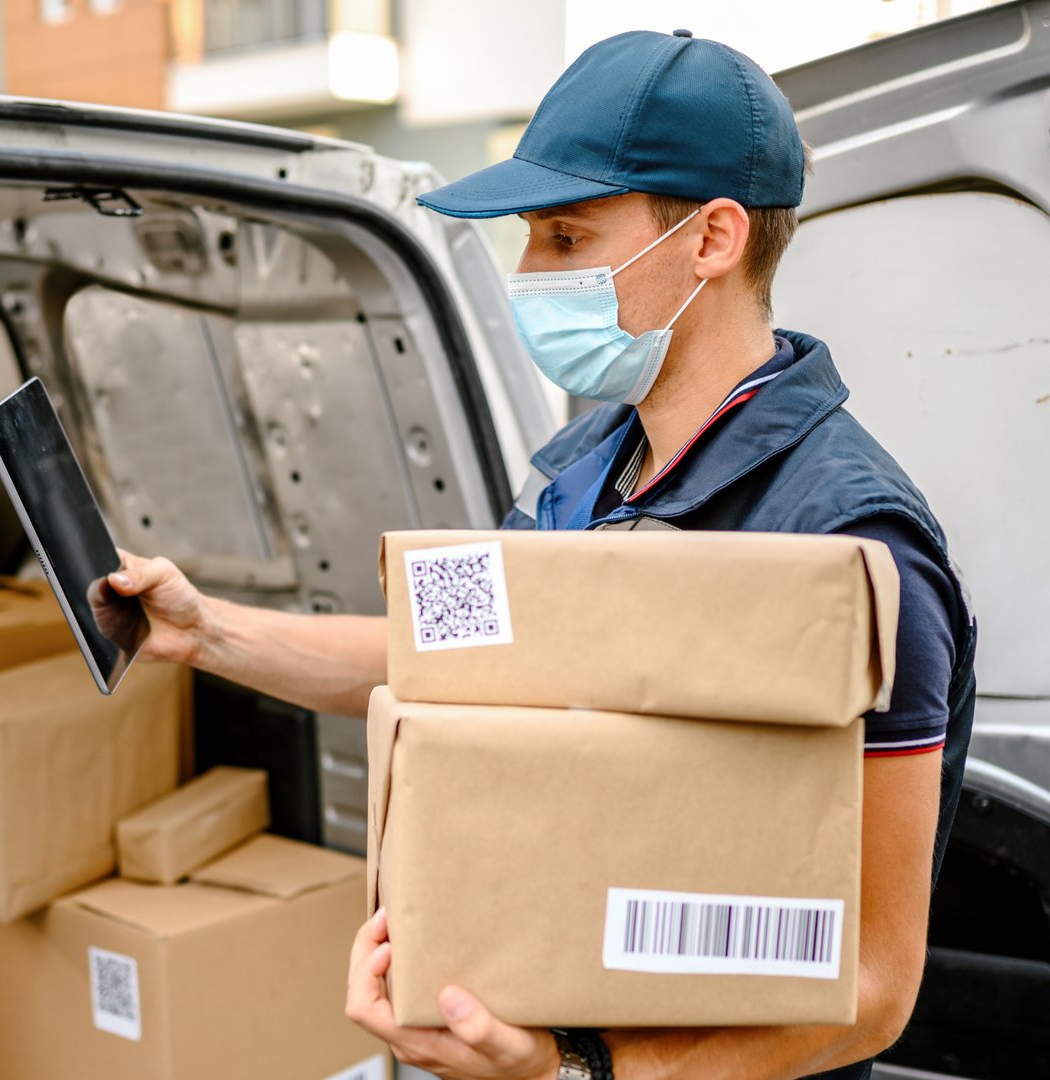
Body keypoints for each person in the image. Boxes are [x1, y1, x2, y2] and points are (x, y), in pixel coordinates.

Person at [108, 29, 976, 1080]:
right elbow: (442, 654)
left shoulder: (851, 544)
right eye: (531, 241)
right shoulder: (585, 462)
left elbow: (873, 992)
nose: (529, 276)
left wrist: (577, 1074)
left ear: (713, 238)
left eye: (564, 239)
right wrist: (208, 632)